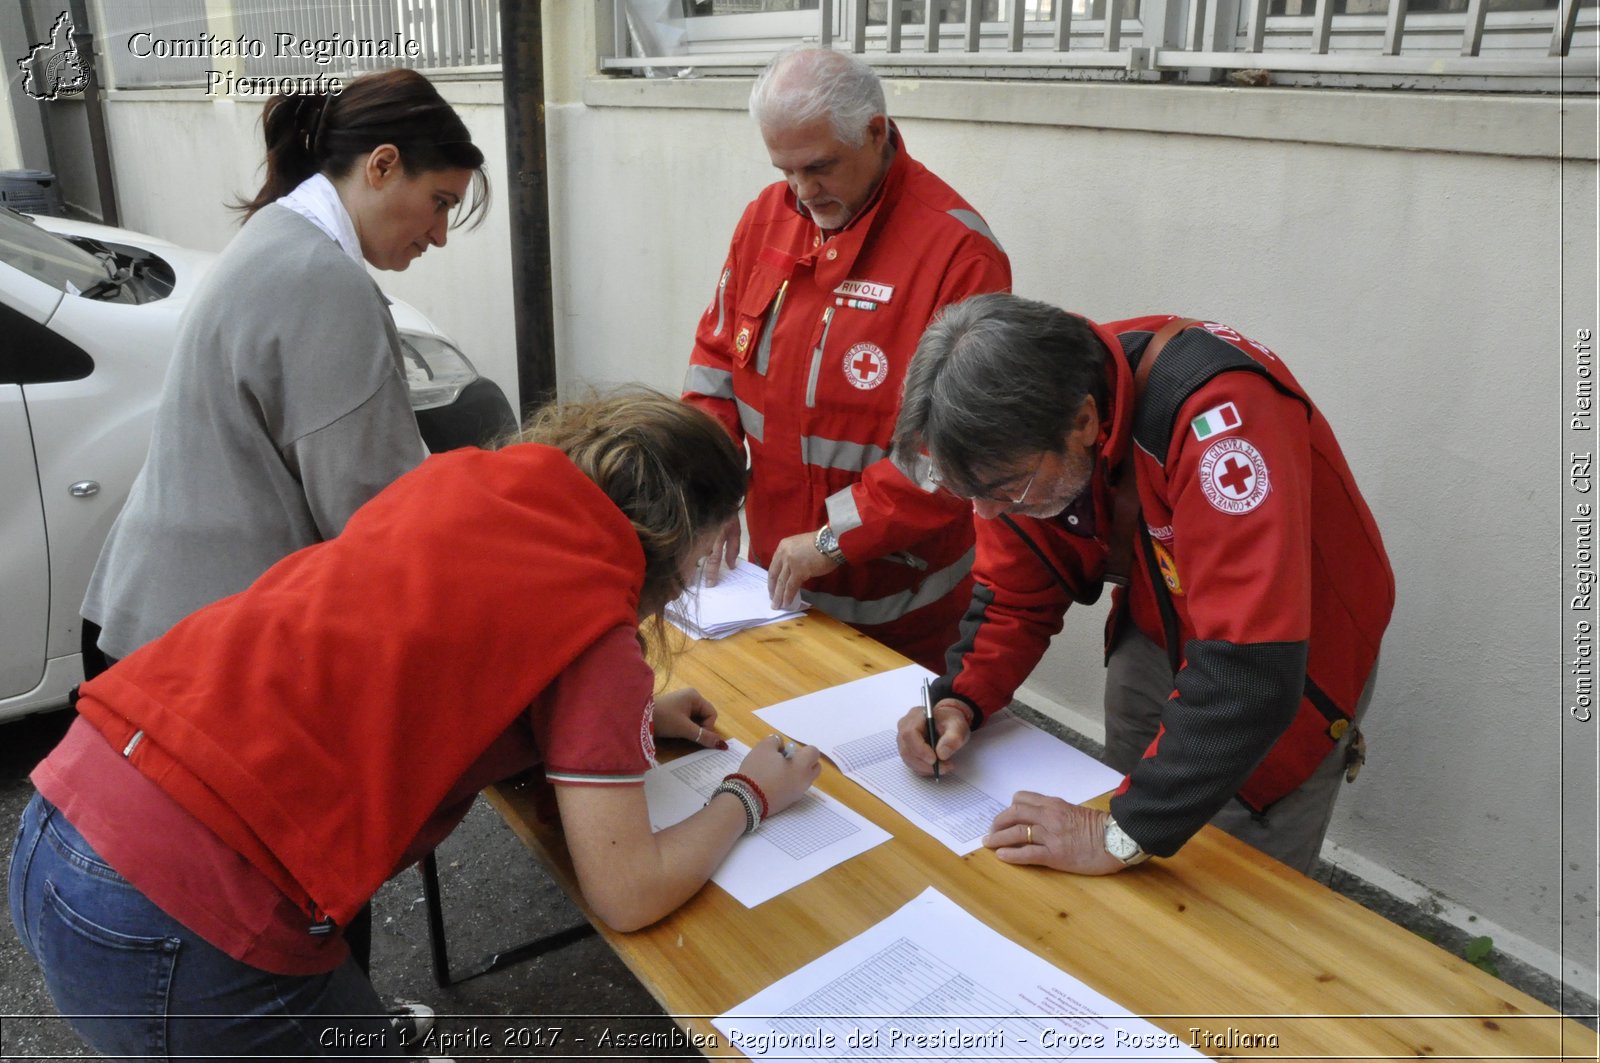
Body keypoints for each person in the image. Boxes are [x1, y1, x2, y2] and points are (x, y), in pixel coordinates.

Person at [9, 392, 823, 1060]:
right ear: (678, 538)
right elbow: (628, 889)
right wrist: (751, 790)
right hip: (187, 908)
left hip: (70, 809)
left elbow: (441, 656)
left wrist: (632, 718)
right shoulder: (596, 625)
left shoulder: (467, 483)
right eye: (709, 553)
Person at [892, 293, 1394, 875]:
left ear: (1083, 421)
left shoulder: (1221, 416)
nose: (990, 512)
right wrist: (960, 698)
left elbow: (1250, 673)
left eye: (1006, 490)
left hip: (1293, 650)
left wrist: (1123, 833)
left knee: (1238, 879)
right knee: (1133, 813)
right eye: (967, 492)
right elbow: (1014, 594)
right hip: (1159, 613)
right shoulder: (1025, 427)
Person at [81, 68, 489, 673]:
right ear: (381, 165)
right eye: (440, 203)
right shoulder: (325, 283)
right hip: (201, 651)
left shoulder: (276, 233)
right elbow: (375, 516)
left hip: (151, 614)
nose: (439, 235)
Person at [682, 47, 1011, 673]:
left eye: (820, 167)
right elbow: (716, 364)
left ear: (876, 132)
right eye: (787, 172)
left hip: (900, 602)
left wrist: (837, 539)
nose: (803, 194)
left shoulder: (957, 252)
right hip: (775, 586)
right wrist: (707, 487)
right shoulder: (765, 219)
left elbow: (956, 450)